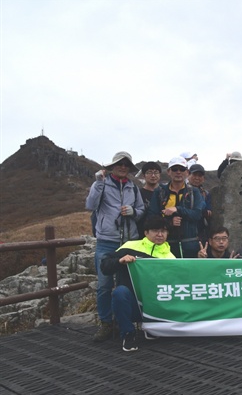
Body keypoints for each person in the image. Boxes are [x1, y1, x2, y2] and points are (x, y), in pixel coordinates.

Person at [85, 151, 145, 342]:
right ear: (112, 167)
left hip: (129, 242)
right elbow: (90, 205)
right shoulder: (102, 184)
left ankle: (123, 322)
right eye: (120, 164)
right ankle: (105, 323)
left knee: (126, 285)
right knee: (104, 285)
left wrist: (133, 211)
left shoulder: (133, 188)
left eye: (126, 165)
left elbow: (142, 211)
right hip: (106, 241)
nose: (123, 167)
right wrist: (98, 184)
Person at [100, 216, 176, 352]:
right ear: (146, 232)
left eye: (163, 231)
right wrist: (119, 261)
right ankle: (128, 334)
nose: (160, 235)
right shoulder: (130, 246)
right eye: (155, 231)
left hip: (156, 304)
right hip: (133, 303)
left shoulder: (170, 256)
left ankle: (153, 327)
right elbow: (105, 266)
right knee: (120, 292)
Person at [148, 157, 205, 258]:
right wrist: (169, 222)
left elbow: (198, 214)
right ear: (169, 172)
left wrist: (178, 209)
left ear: (187, 172)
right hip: (165, 244)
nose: (178, 172)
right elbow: (152, 217)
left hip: (190, 244)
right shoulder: (160, 191)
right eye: (175, 169)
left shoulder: (194, 192)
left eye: (182, 169)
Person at [187, 164, 211, 243]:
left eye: (200, 175)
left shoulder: (205, 193)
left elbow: (209, 209)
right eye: (194, 175)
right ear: (188, 174)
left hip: (201, 231)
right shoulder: (183, 191)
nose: (197, 178)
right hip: (186, 229)